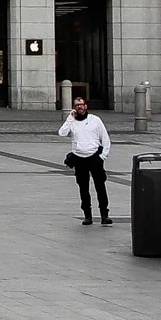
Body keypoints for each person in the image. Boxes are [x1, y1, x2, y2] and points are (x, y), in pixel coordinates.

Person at [60, 94, 112, 224]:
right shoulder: (72, 122)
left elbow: (105, 139)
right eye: (77, 106)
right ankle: (87, 215)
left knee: (100, 186)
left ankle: (104, 215)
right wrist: (70, 118)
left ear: (86, 106)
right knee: (83, 188)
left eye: (81, 105)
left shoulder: (95, 120)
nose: (80, 108)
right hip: (79, 158)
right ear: (74, 108)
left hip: (94, 157)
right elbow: (62, 133)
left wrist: (103, 156)